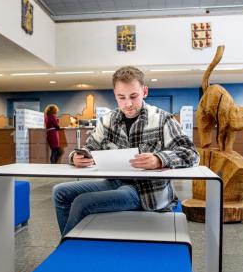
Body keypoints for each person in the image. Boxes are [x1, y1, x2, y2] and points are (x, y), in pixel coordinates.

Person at [52, 66, 199, 236]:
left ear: (144, 91)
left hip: (146, 192)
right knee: (60, 192)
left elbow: (191, 153)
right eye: (121, 97)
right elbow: (89, 147)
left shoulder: (162, 119)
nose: (128, 104)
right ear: (115, 95)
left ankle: (70, 251)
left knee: (82, 202)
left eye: (133, 96)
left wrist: (159, 159)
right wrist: (75, 157)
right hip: (115, 183)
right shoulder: (107, 121)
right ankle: (71, 246)